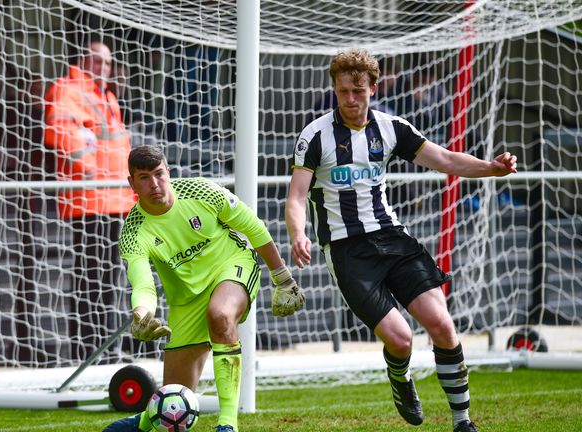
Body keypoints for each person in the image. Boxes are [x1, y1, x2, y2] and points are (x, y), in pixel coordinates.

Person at [284, 48, 518, 432]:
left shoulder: (392, 127)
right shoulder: (315, 136)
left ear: (373, 89)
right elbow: (296, 196)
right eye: (343, 92)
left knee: (442, 324)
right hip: (348, 250)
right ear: (335, 89)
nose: (351, 100)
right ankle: (400, 377)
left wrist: (490, 168)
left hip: (392, 238)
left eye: (358, 91)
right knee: (402, 338)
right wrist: (299, 233)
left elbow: (444, 159)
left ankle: (463, 422)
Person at [103, 145, 305, 432]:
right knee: (174, 396)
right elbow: (143, 283)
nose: (155, 184)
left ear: (168, 172)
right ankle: (144, 422)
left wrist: (281, 276)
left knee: (220, 316)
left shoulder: (202, 191)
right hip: (187, 299)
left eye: (159, 174)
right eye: (144, 178)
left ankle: (228, 424)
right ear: (131, 183)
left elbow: (254, 227)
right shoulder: (134, 231)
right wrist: (141, 314)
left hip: (233, 266)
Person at [44, 40, 136, 362]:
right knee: (90, 279)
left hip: (114, 200)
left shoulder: (107, 97)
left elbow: (118, 145)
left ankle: (104, 349)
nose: (103, 68)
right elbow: (61, 132)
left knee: (108, 281)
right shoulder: (68, 89)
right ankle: (87, 352)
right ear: (82, 60)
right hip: (90, 200)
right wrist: (91, 170)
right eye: (96, 61)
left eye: (108, 63)